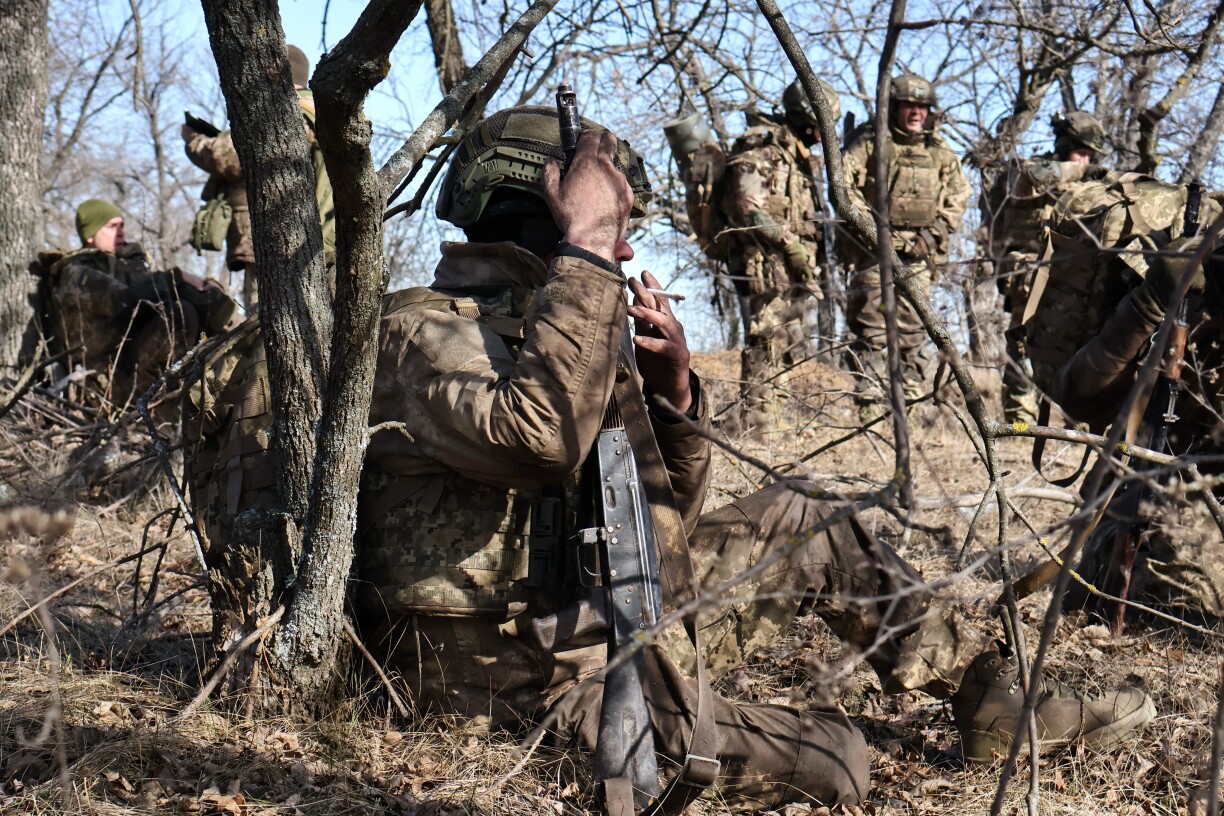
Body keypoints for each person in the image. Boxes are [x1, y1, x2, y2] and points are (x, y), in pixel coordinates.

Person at [338, 104, 1153, 809]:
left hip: (614, 618)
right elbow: (538, 437)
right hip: (517, 686)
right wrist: (583, 252)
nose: (623, 251)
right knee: (844, 760)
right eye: (610, 223)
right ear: (546, 213)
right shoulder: (423, 331)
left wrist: (674, 399)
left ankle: (992, 703)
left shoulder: (566, 324)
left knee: (810, 515)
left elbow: (668, 525)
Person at [1056, 236, 1224, 622]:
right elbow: (1077, 395)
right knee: (1180, 585)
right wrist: (1148, 304)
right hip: (1149, 508)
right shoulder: (1194, 280)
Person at [842, 73, 970, 421]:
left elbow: (959, 196)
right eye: (909, 106)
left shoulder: (940, 151)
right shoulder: (870, 143)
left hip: (919, 256)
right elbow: (843, 187)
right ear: (896, 108)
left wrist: (931, 237)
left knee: (913, 331)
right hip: (873, 254)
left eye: (922, 107)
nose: (916, 113)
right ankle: (869, 407)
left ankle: (910, 406)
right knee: (871, 329)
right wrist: (873, 232)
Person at [712, 78, 837, 421]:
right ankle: (759, 422)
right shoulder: (762, 147)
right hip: (766, 261)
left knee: (789, 342)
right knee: (767, 340)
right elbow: (746, 205)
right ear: (807, 117)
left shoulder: (797, 156)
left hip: (791, 263)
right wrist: (791, 244)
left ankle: (777, 418)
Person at [181, 44, 335, 306]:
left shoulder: (285, 114)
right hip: (327, 242)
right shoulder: (325, 113)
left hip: (286, 248)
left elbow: (227, 156)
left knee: (263, 333)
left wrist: (193, 140)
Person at [982, 111, 1111, 425]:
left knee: (1078, 347)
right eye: (1082, 152)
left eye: (1091, 155)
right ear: (1066, 146)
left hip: (1075, 279)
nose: (1086, 160)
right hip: (1030, 277)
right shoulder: (1033, 169)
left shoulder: (1093, 185)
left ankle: (1075, 417)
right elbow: (1032, 178)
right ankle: (1019, 417)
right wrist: (1082, 171)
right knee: (1025, 343)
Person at [46, 198, 234, 405]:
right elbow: (121, 301)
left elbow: (149, 293)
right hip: (105, 382)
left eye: (122, 225)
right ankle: (163, 402)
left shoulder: (129, 265)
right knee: (179, 314)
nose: (121, 232)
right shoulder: (76, 273)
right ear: (90, 234)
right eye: (111, 226)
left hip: (131, 366)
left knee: (198, 310)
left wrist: (203, 287)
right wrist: (177, 278)